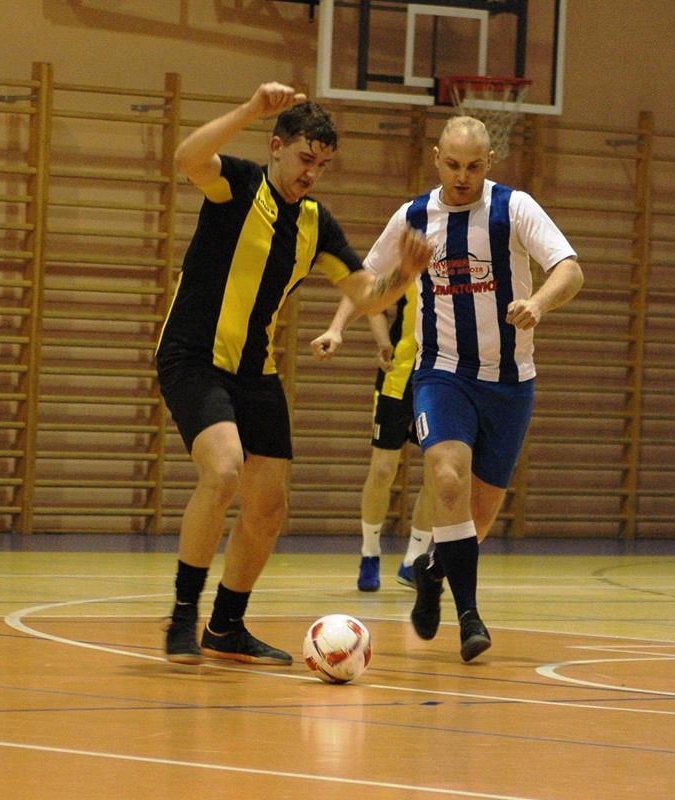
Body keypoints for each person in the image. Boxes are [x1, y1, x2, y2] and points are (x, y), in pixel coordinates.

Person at [156, 82, 431, 666]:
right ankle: (182, 616)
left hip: (254, 370)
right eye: (305, 158)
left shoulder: (315, 224)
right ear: (276, 147)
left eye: (322, 165)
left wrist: (405, 275)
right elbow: (187, 158)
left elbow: (368, 294)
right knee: (223, 470)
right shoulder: (238, 185)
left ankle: (226, 628)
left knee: (269, 506)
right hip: (193, 356)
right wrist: (250, 108)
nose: (312, 173)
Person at [312, 116, 584, 662]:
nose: (463, 177)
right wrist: (343, 323)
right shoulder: (413, 218)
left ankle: (433, 570)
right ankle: (470, 618)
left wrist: (538, 303)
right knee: (446, 477)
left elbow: (570, 270)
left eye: (474, 167)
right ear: (436, 158)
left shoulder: (514, 208)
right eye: (453, 165)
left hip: (510, 382)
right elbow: (368, 287)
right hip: (442, 374)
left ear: (490, 163)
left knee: (475, 523)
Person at [312, 283, 433, 592]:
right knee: (382, 470)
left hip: (441, 382)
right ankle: (370, 553)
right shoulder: (408, 265)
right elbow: (369, 298)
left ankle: (414, 561)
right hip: (396, 376)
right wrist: (382, 341)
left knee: (437, 474)